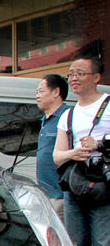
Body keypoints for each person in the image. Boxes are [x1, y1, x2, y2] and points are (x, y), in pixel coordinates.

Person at [53, 55, 110, 246]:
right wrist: (73, 153)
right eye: (70, 73)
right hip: (75, 187)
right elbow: (57, 155)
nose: (73, 78)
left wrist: (99, 146)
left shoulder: (108, 104)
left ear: (96, 78)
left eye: (79, 73)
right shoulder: (68, 114)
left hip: (104, 187)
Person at [35, 74, 69, 217]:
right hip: (45, 195)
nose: (37, 96)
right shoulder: (45, 120)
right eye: (37, 92)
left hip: (61, 196)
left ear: (56, 92)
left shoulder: (68, 116)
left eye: (41, 91)